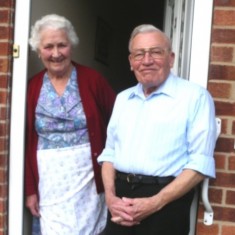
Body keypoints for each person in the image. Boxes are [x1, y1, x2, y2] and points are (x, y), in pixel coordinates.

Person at [97, 24, 217, 235]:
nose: (147, 61)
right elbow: (109, 155)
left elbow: (199, 165)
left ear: (170, 58)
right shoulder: (123, 99)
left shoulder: (195, 97)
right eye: (139, 54)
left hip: (166, 203)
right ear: (131, 62)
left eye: (155, 52)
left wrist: (154, 203)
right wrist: (110, 198)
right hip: (121, 200)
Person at [25, 14, 116, 235]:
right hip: (49, 183)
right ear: (38, 50)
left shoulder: (93, 80)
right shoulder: (31, 87)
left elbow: (117, 125)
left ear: (71, 46)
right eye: (48, 47)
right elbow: (25, 143)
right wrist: (30, 190)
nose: (56, 54)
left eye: (62, 45)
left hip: (87, 179)